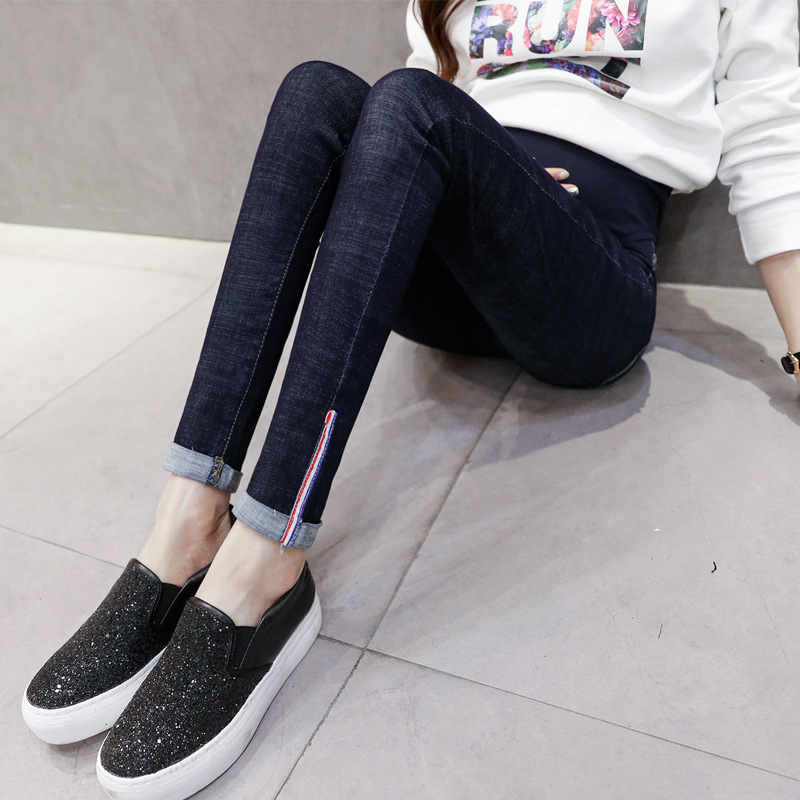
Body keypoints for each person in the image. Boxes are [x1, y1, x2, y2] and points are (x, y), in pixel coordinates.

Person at [20, 0, 800, 797]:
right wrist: (489, 168)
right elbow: (424, 104)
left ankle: (264, 566)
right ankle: (187, 523)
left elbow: (772, 142)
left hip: (583, 278)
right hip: (447, 253)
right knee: (318, 93)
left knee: (411, 103)